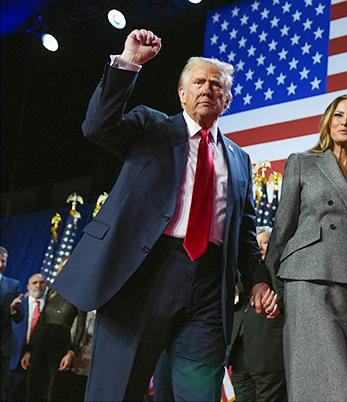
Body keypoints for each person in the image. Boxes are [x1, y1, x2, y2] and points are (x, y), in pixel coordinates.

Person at [49, 29, 278, 401]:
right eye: (198, 82)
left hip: (209, 284)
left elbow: (245, 231)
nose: (207, 89)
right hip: (141, 272)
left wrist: (256, 279)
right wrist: (128, 64)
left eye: (216, 85)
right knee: (117, 391)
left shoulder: (240, 159)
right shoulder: (151, 127)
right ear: (182, 94)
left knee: (199, 394)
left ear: (228, 100)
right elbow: (97, 127)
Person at [264, 94, 347, 401]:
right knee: (332, 390)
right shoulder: (302, 163)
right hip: (308, 282)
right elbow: (282, 228)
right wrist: (267, 284)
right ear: (327, 122)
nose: (344, 122)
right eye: (338, 115)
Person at [228, 226, 287, 402]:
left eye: (265, 243)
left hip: (269, 354)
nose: (260, 248)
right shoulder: (245, 272)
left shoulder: (282, 270)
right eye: (257, 244)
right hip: (240, 353)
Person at [21, 259, 86, 401]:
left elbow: (81, 324)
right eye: (64, 266)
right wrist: (29, 349)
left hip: (61, 342)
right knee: (34, 385)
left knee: (55, 389)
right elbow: (41, 321)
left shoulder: (81, 292)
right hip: (41, 341)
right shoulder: (53, 291)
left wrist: (71, 352)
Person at [7, 273, 48, 401]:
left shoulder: (51, 307)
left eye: (42, 283)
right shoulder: (17, 304)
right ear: (28, 286)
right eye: (35, 283)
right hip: (15, 361)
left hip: (40, 361)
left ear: (46, 286)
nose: (38, 285)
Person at [1, 246, 24, 402]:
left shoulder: (13, 285)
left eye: (3, 261)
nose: (0, 264)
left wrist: (14, 310)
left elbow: (19, 318)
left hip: (3, 346)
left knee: (2, 388)